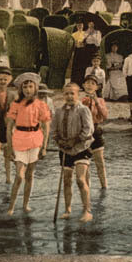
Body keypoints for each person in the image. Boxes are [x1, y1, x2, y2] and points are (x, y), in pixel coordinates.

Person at [6, 73, 51, 215]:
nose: (27, 89)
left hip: (35, 140)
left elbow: (46, 125)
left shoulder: (41, 105)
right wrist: (9, 146)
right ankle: (11, 207)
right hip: (19, 139)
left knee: (30, 175)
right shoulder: (16, 104)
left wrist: (44, 146)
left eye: (30, 86)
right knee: (19, 176)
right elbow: (9, 127)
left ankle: (25, 205)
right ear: (21, 89)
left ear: (35, 88)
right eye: (24, 86)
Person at [52, 82, 95, 221]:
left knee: (81, 180)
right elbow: (54, 130)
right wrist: (59, 141)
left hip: (81, 148)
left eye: (72, 93)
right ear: (63, 95)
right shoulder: (59, 111)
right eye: (66, 93)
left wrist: (74, 141)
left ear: (78, 94)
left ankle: (87, 211)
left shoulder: (83, 110)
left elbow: (88, 130)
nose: (69, 96)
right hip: (65, 149)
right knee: (66, 180)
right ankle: (68, 210)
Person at [81, 73, 109, 189]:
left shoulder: (101, 100)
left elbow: (105, 116)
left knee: (100, 163)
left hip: (96, 131)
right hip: (83, 133)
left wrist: (96, 101)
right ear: (83, 85)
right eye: (87, 83)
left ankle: (104, 186)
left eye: (92, 83)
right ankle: (87, 190)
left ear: (97, 87)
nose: (89, 85)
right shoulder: (80, 100)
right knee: (85, 164)